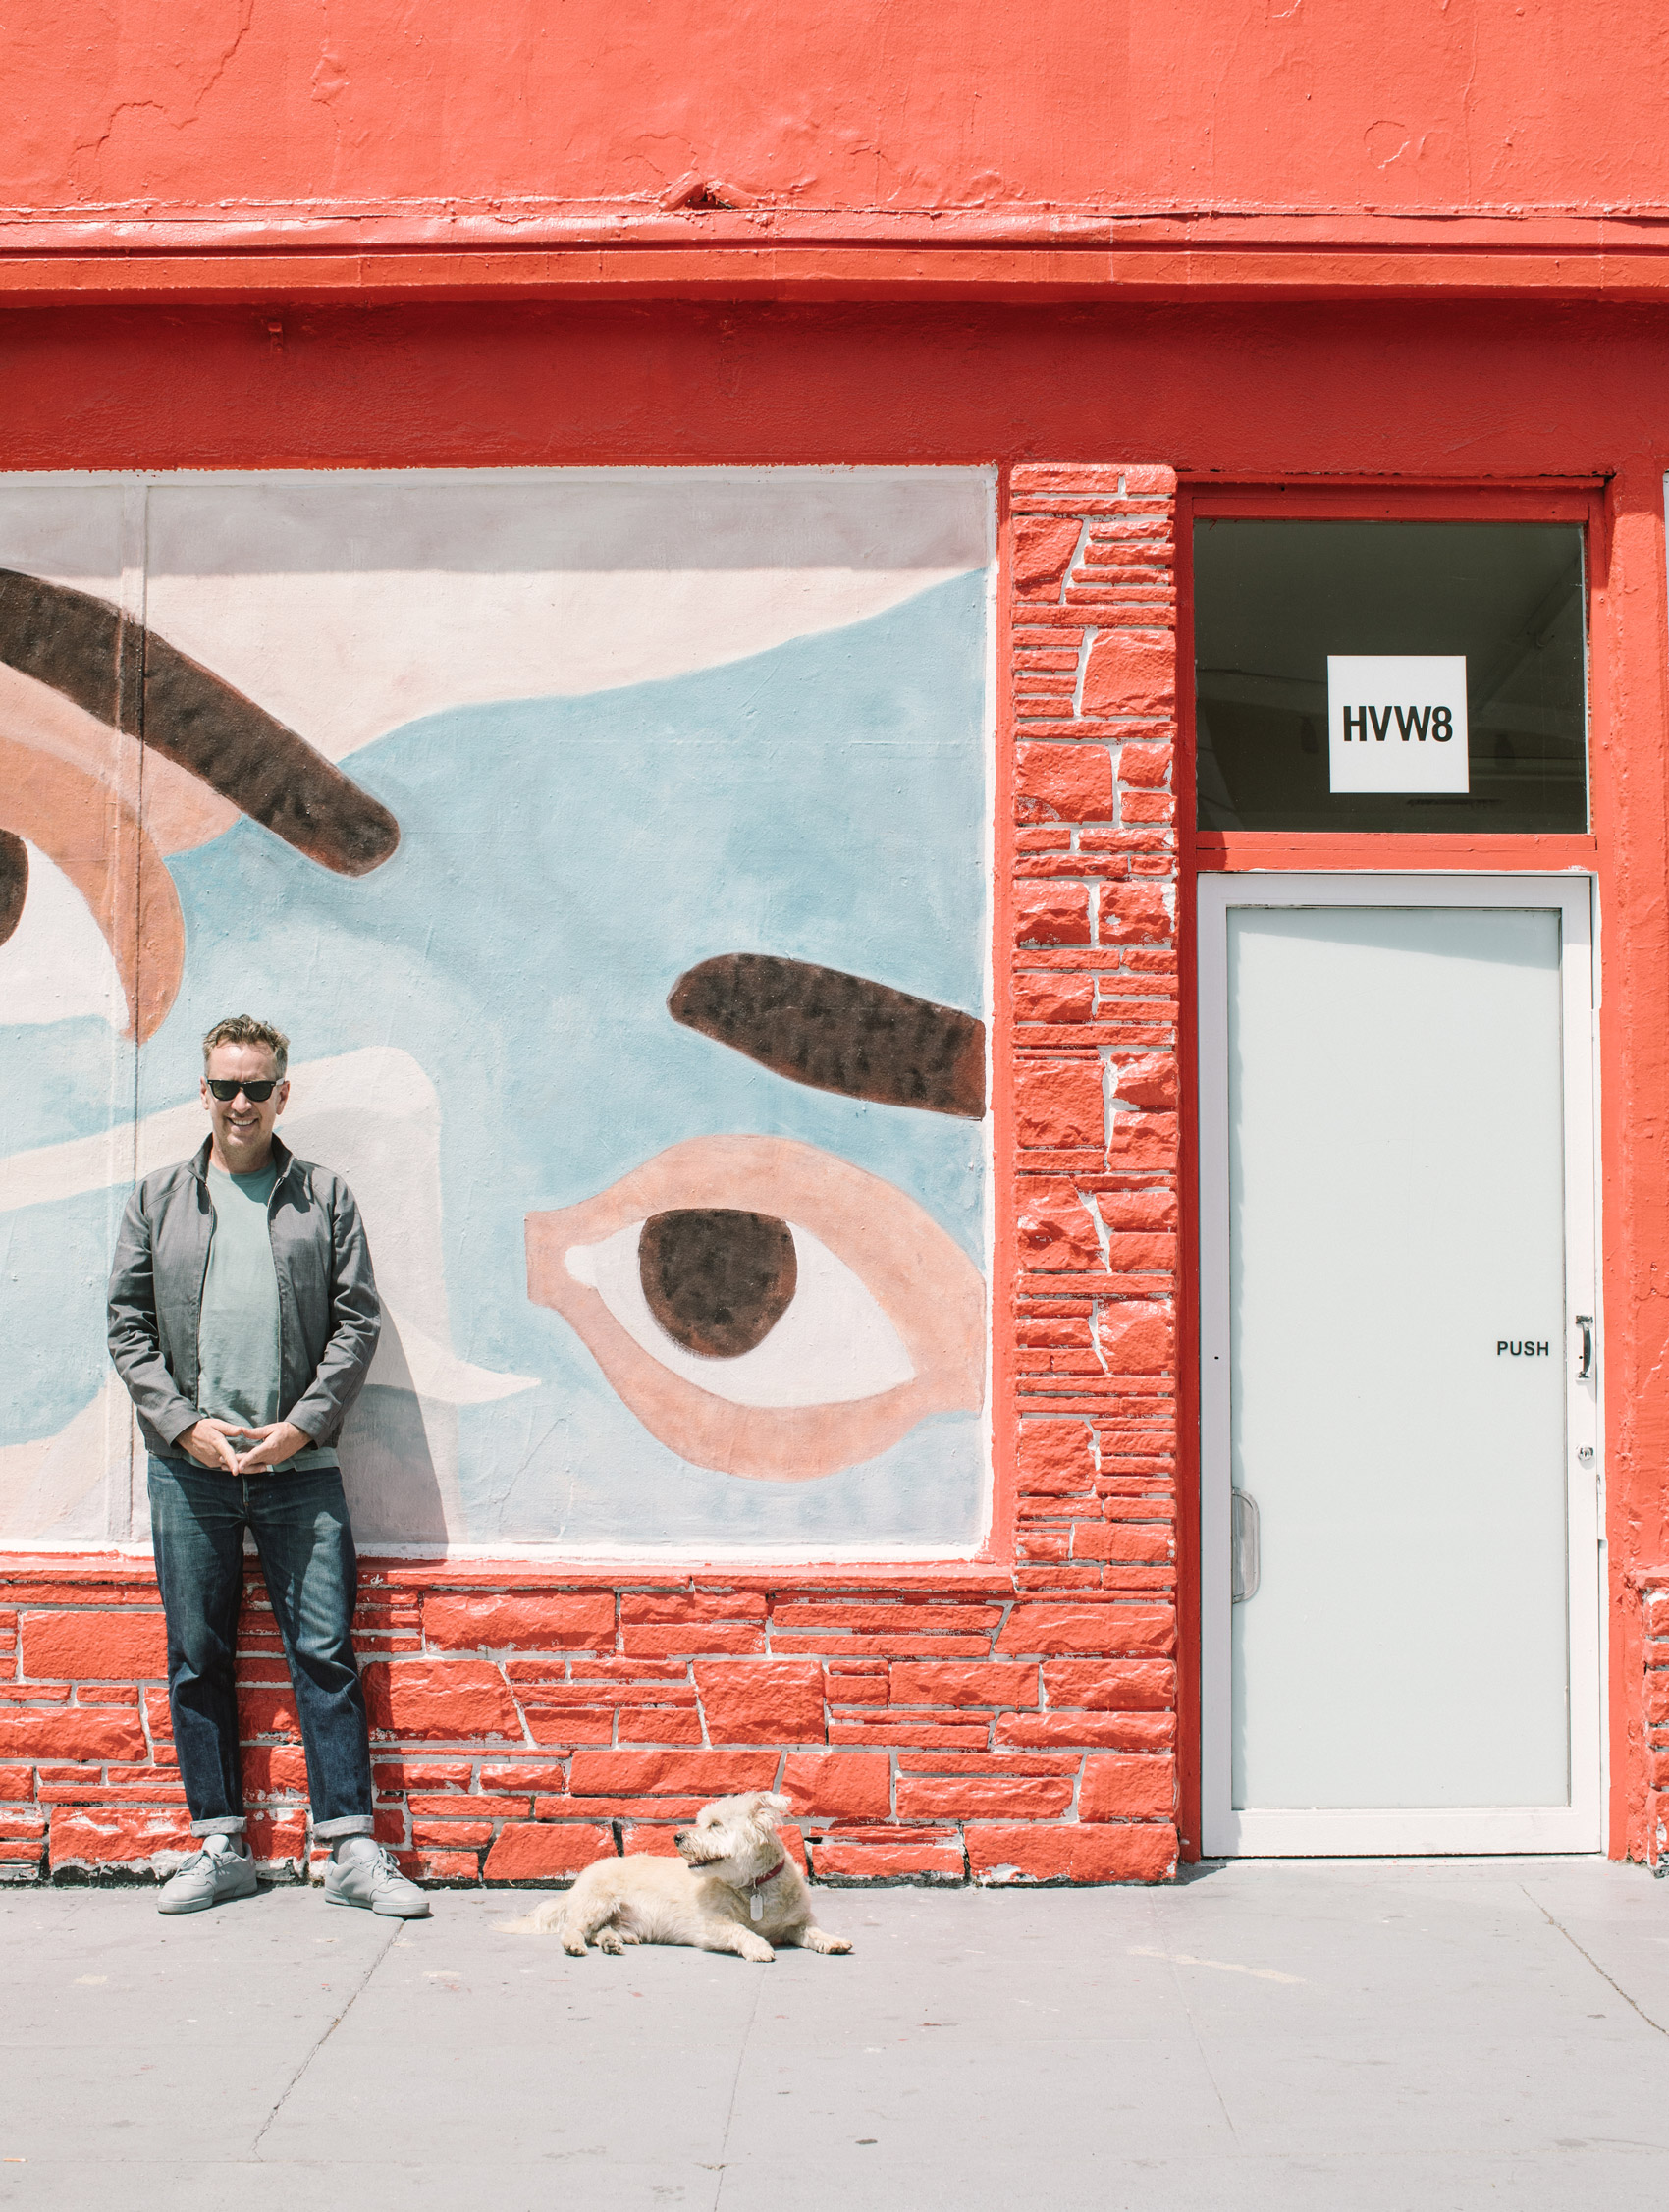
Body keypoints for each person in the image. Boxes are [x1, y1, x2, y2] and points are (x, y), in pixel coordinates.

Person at [107, 1014, 429, 1919]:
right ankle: (221, 1845)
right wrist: (180, 1427)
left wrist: (303, 1425)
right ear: (202, 1090)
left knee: (324, 1653)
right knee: (196, 1653)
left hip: (301, 1464)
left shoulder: (323, 1197)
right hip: (191, 1467)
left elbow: (357, 1320)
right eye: (224, 1085)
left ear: (284, 1091)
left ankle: (353, 1850)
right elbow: (128, 1328)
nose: (239, 1102)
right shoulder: (158, 1196)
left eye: (256, 1086)